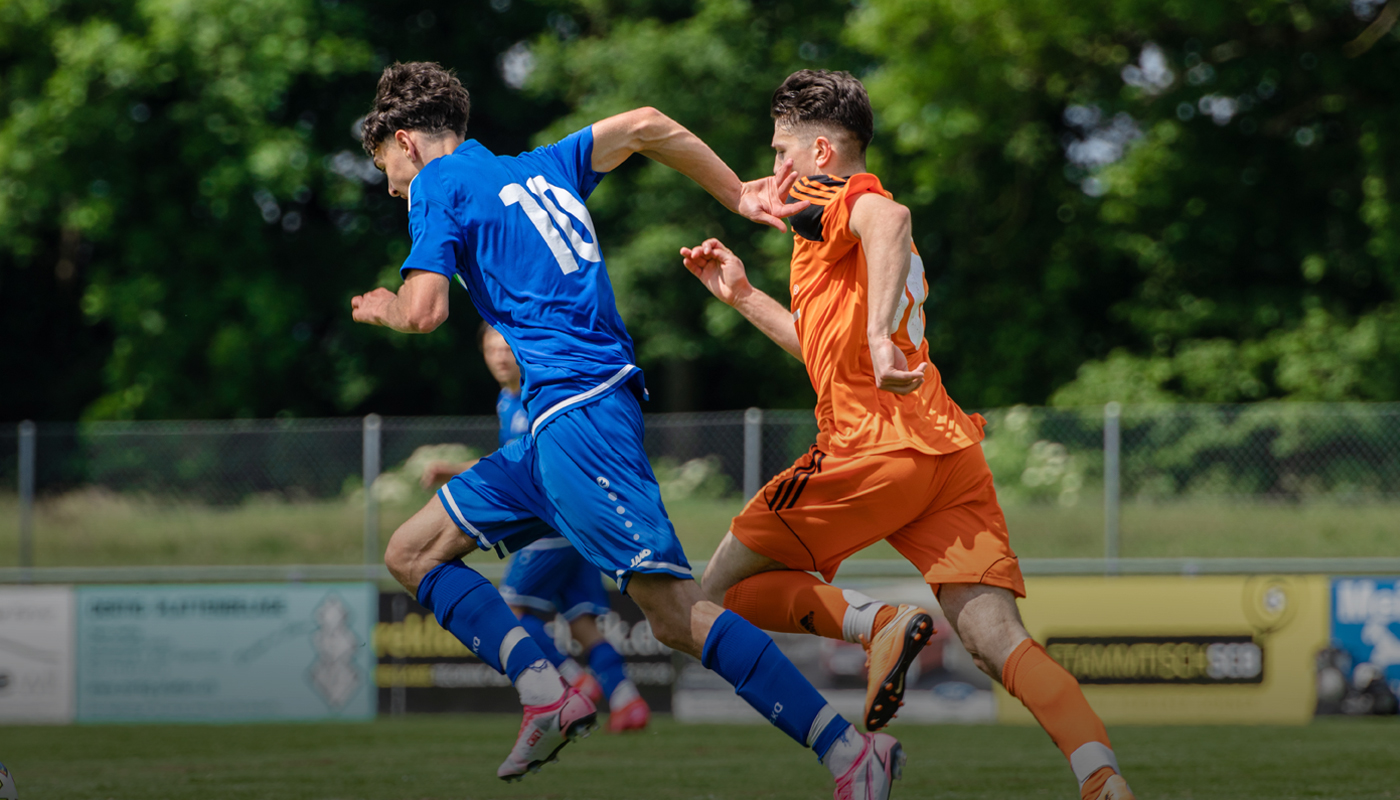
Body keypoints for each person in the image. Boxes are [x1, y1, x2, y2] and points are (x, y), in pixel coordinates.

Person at [349, 61, 904, 799]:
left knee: (674, 616)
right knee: (412, 552)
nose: (393, 187)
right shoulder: (540, 166)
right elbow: (646, 123)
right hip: (552, 427)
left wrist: (383, 303)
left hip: (579, 415)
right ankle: (548, 692)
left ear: (407, 141)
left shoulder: (437, 184)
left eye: (388, 167)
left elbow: (423, 311)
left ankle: (847, 751)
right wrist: (738, 191)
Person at [680, 69, 1136, 800]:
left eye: (779, 152)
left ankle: (878, 624)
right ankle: (1100, 775)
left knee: (712, 598)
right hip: (945, 451)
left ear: (821, 152)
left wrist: (879, 339)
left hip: (870, 446)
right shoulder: (820, 227)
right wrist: (742, 296)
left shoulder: (842, 194)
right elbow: (821, 348)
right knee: (999, 643)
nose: (773, 170)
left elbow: (889, 221)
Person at [420, 322, 651, 732]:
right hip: (574, 527)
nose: (499, 356)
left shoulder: (536, 395)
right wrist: (452, 468)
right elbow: (507, 463)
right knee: (582, 621)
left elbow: (529, 467)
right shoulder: (505, 401)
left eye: (505, 347)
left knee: (510, 610)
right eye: (491, 348)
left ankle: (572, 681)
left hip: (548, 526)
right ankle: (626, 701)